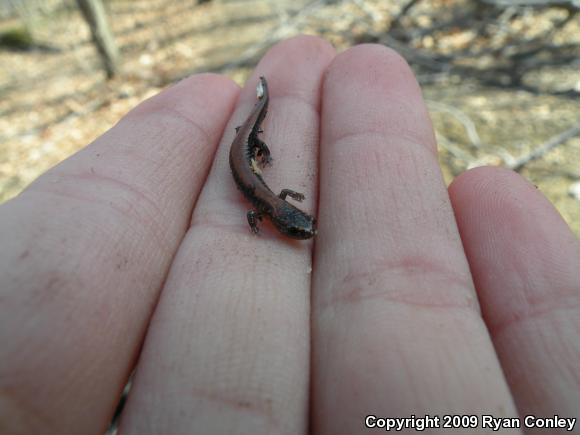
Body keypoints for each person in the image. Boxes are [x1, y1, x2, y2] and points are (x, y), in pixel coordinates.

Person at [0, 36, 578, 435]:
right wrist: (258, 218)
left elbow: (281, 202)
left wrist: (278, 199)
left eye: (298, 227)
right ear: (277, 220)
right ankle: (260, 108)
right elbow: (260, 208)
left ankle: (261, 109)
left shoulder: (274, 204)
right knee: (252, 142)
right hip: (242, 156)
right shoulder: (262, 206)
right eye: (296, 228)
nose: (302, 231)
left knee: (258, 142)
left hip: (249, 158)